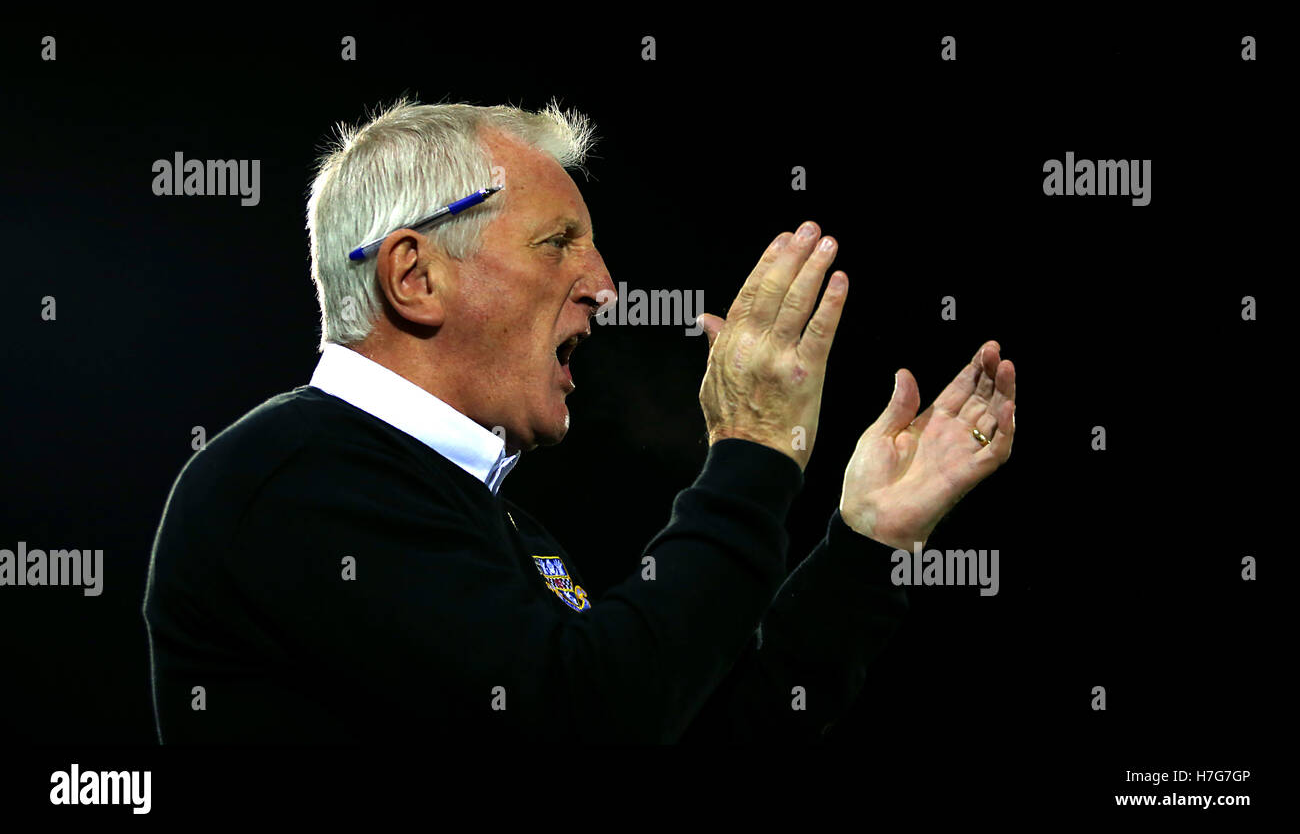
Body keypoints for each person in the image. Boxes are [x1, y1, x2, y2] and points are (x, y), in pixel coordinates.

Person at [142, 99, 1016, 743]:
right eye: (558, 242)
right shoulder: (294, 481)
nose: (603, 285)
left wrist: (865, 549)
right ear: (415, 277)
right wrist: (751, 450)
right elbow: (588, 731)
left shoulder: (497, 520)